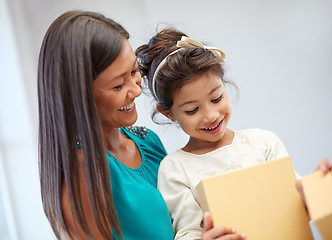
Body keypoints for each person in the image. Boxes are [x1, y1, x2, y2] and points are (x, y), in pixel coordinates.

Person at [136, 28, 332, 240]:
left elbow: (298, 207)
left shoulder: (263, 143)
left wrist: (318, 189)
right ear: (169, 113)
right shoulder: (175, 168)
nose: (211, 116)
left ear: (224, 87)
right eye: (192, 110)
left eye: (216, 98)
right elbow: (187, 233)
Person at [37, 10, 175, 240]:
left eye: (134, 71)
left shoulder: (148, 141)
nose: (136, 90)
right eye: (118, 85)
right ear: (79, 95)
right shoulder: (83, 171)